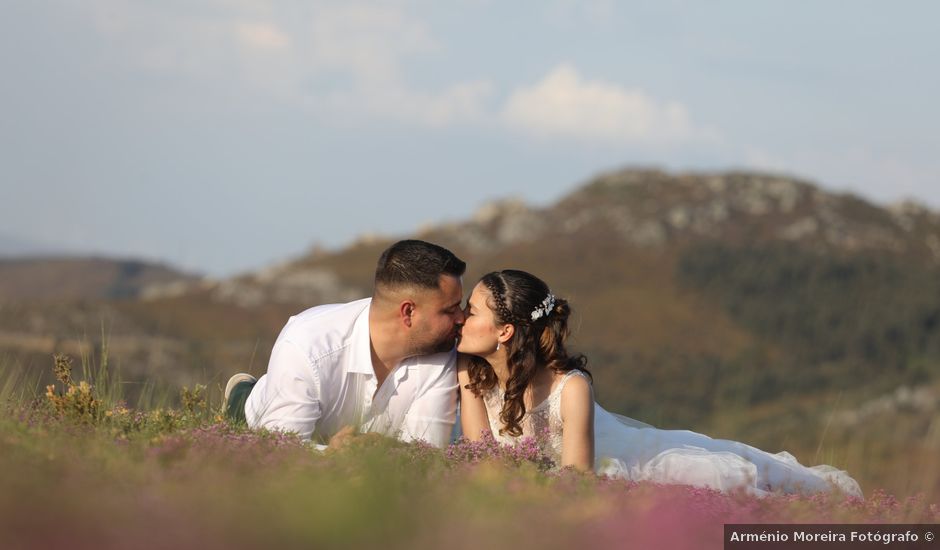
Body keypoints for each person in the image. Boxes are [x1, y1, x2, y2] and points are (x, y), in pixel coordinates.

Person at [455, 269, 862, 497]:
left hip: (620, 461)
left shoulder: (571, 387)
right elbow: (479, 456)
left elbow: (576, 481)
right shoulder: (471, 372)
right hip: (536, 484)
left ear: (505, 331)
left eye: (471, 312)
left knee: (733, 477)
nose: (460, 318)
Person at [224, 239, 467, 448]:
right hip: (266, 417)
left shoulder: (441, 349)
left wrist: (378, 453)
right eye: (450, 310)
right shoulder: (306, 346)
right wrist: (333, 455)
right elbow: (281, 449)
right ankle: (241, 396)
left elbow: (426, 450)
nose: (461, 319)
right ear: (408, 312)